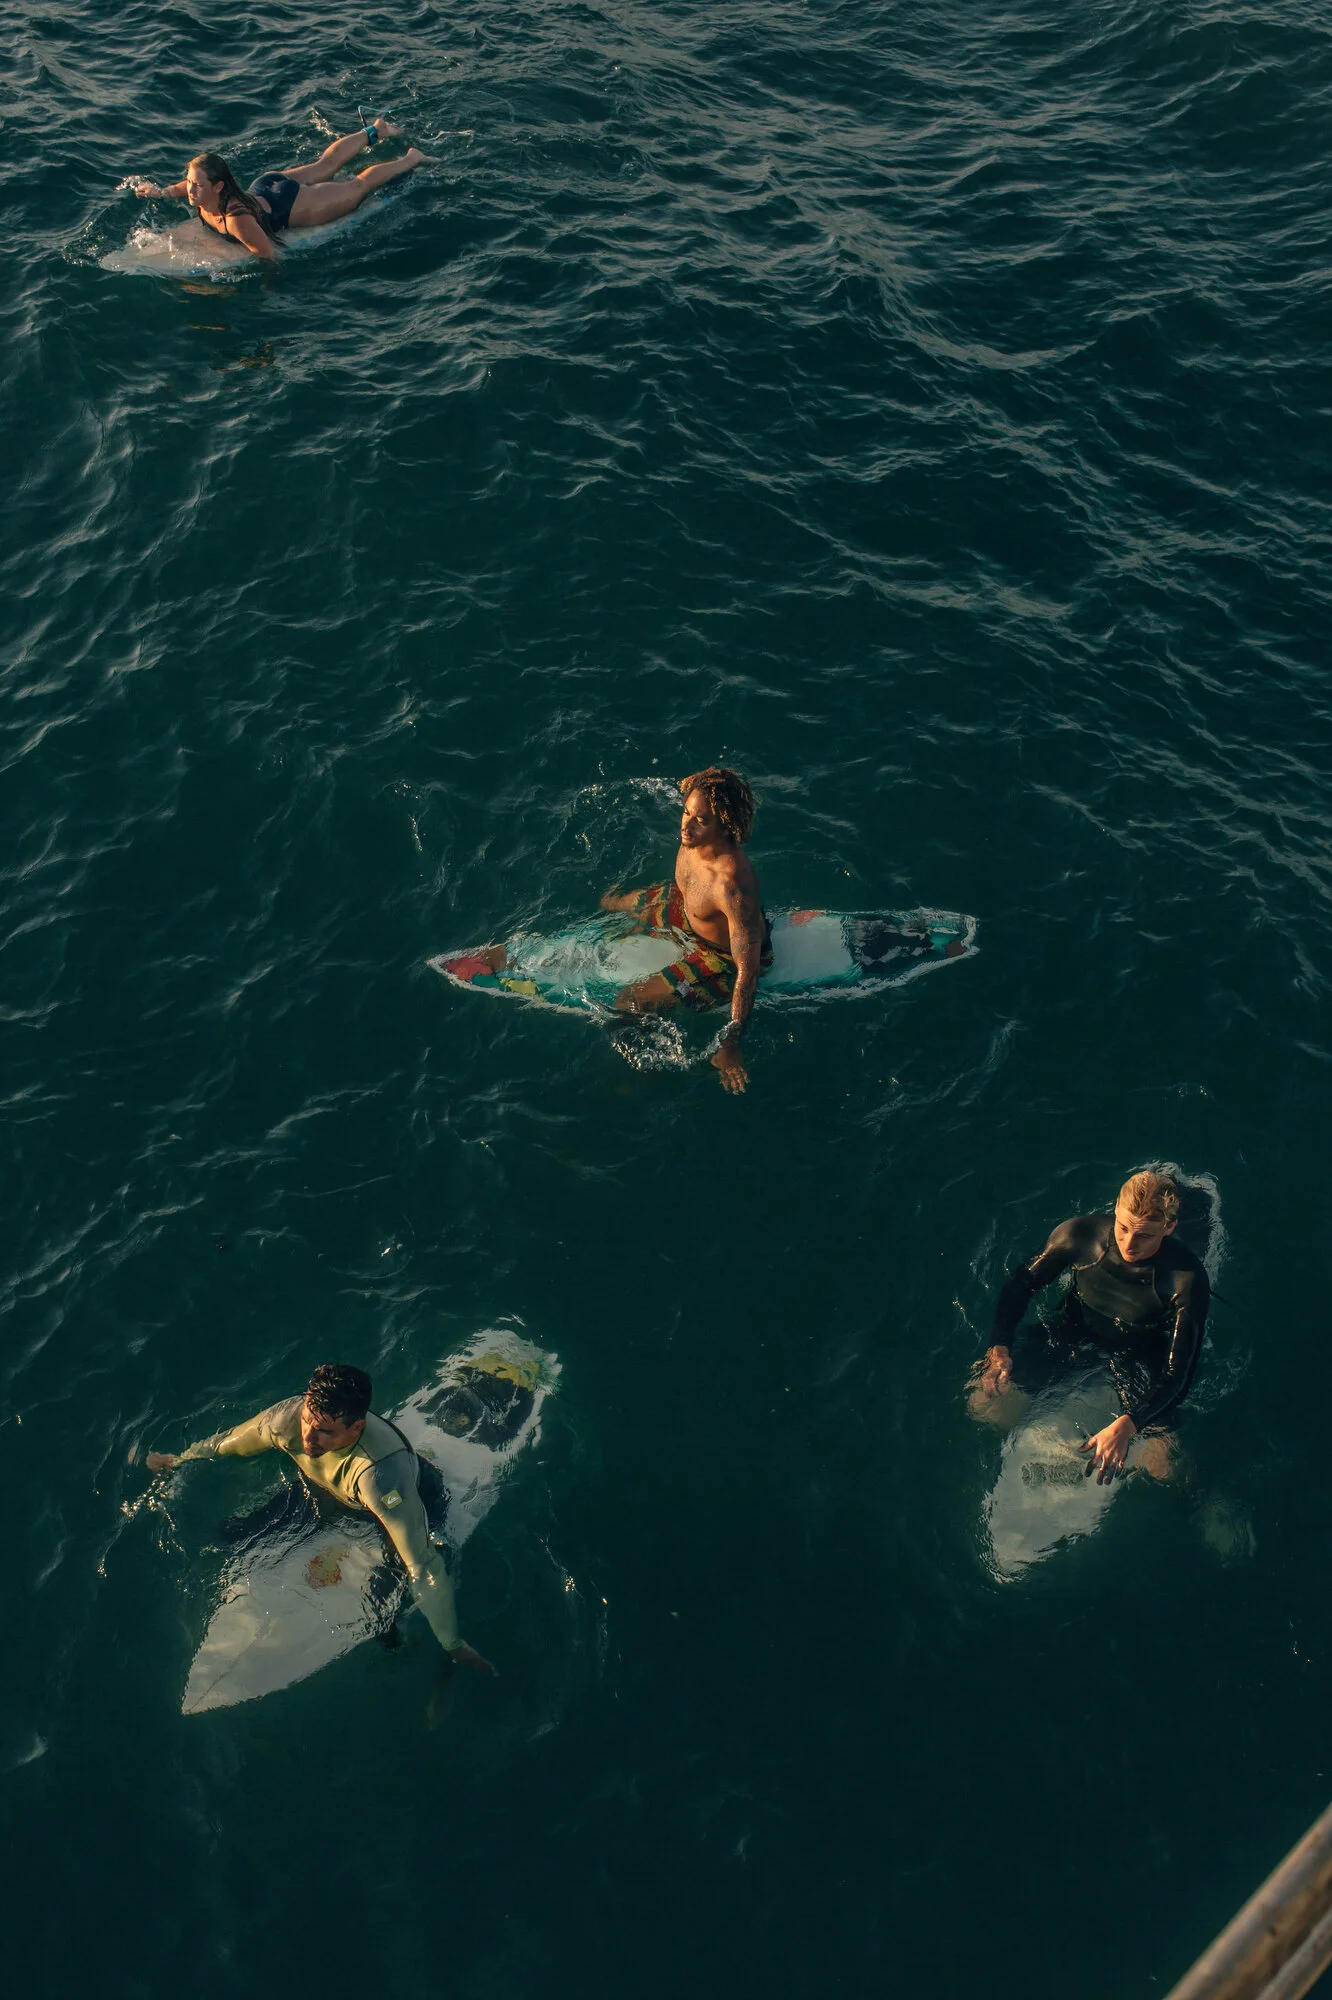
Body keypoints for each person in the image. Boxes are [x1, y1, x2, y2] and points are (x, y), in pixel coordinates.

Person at [147, 1363, 494, 1672]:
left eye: (325, 1431)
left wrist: (452, 1643)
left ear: (356, 1429)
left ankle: (399, 1643)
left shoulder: (381, 1477)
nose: (308, 1438)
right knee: (232, 1532)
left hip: (389, 1506)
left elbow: (424, 1565)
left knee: (381, 1615)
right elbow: (227, 1444)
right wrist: (178, 1460)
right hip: (327, 1492)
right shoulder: (287, 1420)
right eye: (307, 1420)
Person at [970, 1170, 1209, 1482]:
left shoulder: (1186, 1280)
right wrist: (999, 1347)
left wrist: (1131, 1423)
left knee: (1166, 1469)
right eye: (1123, 1228)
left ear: (1169, 1227)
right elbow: (1020, 1285)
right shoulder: (1080, 1234)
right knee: (983, 1406)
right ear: (1116, 1209)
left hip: (1139, 1352)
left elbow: (1178, 1373)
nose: (1129, 1244)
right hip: (1073, 1331)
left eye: (1144, 1236)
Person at [603, 767, 769, 1093]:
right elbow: (687, 885)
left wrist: (730, 1043)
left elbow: (748, 973)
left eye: (701, 820)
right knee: (611, 903)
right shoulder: (691, 840)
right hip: (686, 910)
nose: (686, 826)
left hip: (719, 956)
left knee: (630, 1002)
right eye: (686, 812)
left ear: (725, 826)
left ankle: (644, 1086)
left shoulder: (731, 886)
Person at [131, 118, 431, 260]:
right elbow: (184, 186)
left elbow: (268, 255)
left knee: (358, 187)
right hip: (265, 184)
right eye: (189, 182)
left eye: (197, 185)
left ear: (218, 186)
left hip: (292, 205)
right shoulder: (202, 194)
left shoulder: (236, 220)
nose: (190, 189)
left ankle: (411, 158)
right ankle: (376, 130)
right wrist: (162, 192)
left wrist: (269, 289)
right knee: (324, 164)